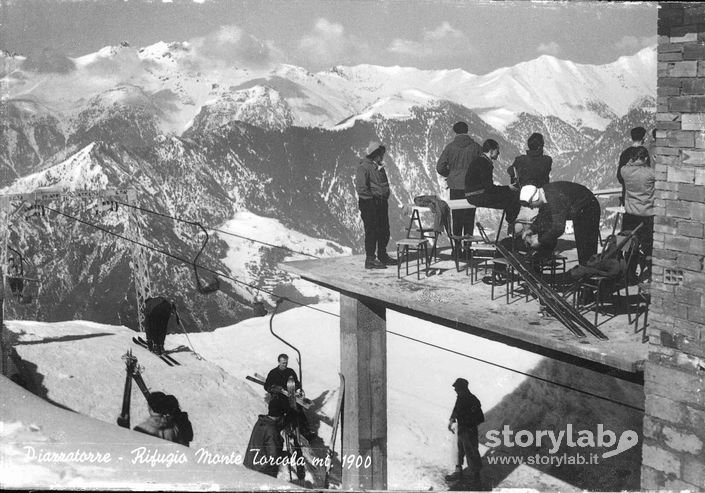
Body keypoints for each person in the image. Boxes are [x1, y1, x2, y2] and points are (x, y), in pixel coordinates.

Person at [517, 182, 601, 266]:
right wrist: (531, 229)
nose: (532, 208)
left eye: (530, 205)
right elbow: (543, 215)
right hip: (580, 209)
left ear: (534, 198)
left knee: (586, 248)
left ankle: (589, 273)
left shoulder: (554, 199)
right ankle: (585, 271)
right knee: (583, 249)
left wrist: (540, 240)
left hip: (589, 208)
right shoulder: (545, 194)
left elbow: (558, 228)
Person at [355, 141, 397, 269]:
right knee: (372, 230)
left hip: (380, 202)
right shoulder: (365, 167)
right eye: (381, 154)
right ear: (375, 154)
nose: (383, 156)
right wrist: (372, 200)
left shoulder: (378, 167)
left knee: (384, 230)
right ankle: (370, 259)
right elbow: (361, 188)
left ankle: (382, 255)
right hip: (370, 203)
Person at [436, 121, 482, 237]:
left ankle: (457, 249)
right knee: (469, 217)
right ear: (467, 131)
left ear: (455, 132)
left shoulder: (450, 147)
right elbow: (483, 165)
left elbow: (440, 167)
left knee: (457, 217)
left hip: (455, 187)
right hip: (472, 187)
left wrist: (450, 174)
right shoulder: (475, 147)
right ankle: (467, 249)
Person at [465, 139, 520, 229]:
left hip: (473, 195)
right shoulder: (485, 163)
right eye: (497, 150)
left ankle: (511, 225)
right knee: (512, 198)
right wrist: (508, 188)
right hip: (478, 196)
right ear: (491, 151)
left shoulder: (479, 160)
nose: (498, 153)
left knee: (508, 198)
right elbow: (490, 188)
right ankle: (512, 225)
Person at [620, 147, 654, 282]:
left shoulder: (625, 171)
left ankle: (628, 275)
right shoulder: (651, 173)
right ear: (645, 158)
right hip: (647, 215)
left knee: (627, 246)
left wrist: (631, 162)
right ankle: (651, 275)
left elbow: (625, 165)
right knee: (648, 248)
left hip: (629, 215)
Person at [447, 378, 484, 485]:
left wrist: (468, 423)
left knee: (471, 452)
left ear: (463, 388)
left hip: (469, 431)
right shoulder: (460, 398)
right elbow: (456, 409)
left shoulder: (473, 400)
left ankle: (476, 478)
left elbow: (480, 417)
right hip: (461, 429)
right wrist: (452, 419)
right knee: (458, 451)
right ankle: (458, 472)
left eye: (457, 388)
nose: (455, 390)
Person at [244, 398, 287, 478]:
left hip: (251, 465)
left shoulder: (261, 422)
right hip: (262, 471)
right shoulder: (272, 430)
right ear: (280, 415)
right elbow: (273, 457)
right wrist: (285, 455)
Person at [617, 127, 650, 206]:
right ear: (643, 138)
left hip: (627, 196)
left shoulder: (625, 153)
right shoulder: (643, 153)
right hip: (642, 198)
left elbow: (619, 176)